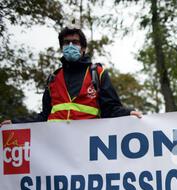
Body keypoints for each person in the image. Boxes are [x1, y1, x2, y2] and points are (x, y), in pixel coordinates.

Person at [0, 27, 141, 127]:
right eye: (66, 42)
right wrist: (16, 124)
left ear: (83, 48)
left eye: (75, 42)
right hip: (56, 147)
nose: (71, 45)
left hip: (87, 144)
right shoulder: (53, 78)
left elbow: (111, 109)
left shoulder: (97, 73)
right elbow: (45, 115)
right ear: (62, 47)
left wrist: (128, 113)